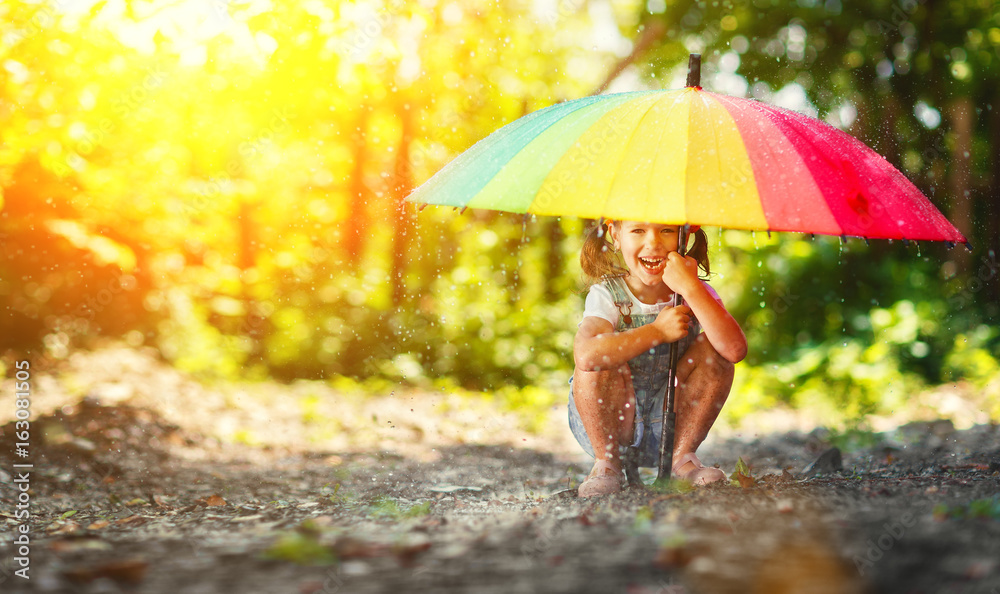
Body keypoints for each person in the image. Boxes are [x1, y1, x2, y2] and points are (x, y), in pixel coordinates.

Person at [568, 220, 747, 497]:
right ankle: (606, 464)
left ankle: (682, 459)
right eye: (638, 231)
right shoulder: (607, 296)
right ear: (615, 236)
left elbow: (734, 350)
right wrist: (657, 331)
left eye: (667, 231)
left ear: (685, 237)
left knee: (715, 348)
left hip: (671, 425)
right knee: (599, 353)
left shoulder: (693, 293)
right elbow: (585, 356)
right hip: (612, 425)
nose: (653, 243)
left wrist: (691, 289)